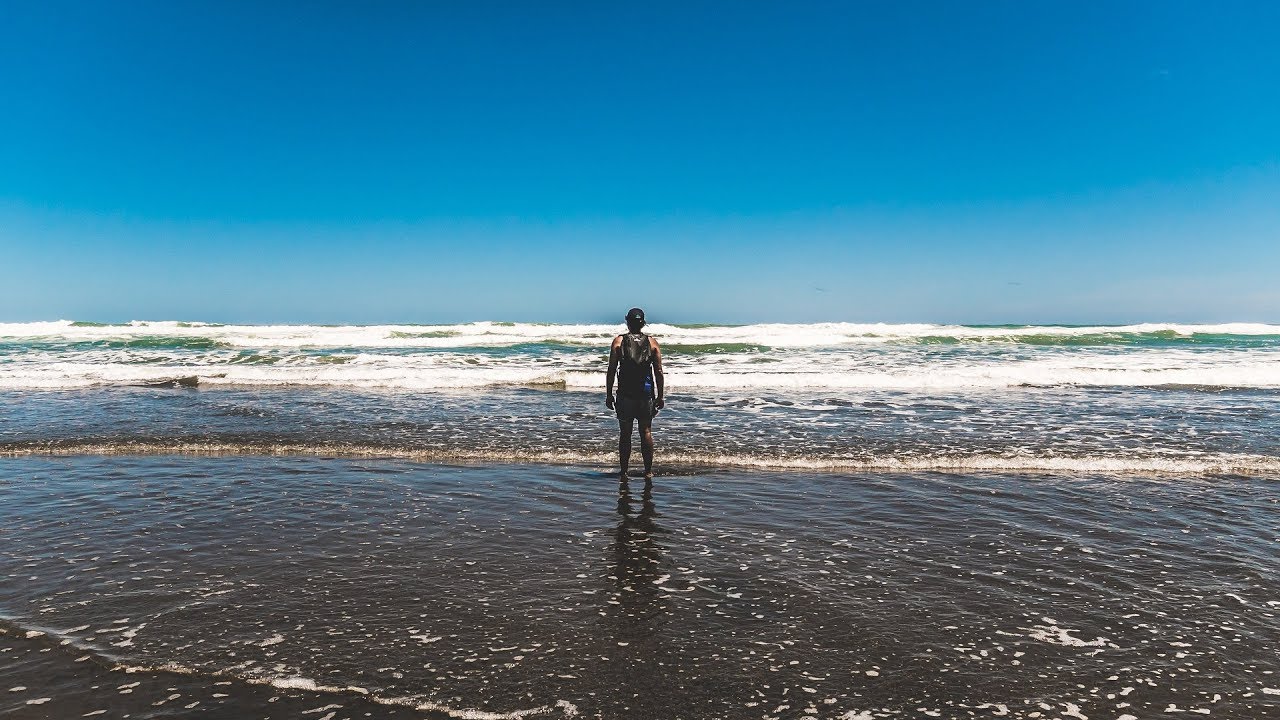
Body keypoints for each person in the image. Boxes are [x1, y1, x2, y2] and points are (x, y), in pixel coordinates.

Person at [606, 307, 665, 479]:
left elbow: (611, 370)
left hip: (625, 394)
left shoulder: (619, 341)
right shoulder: (652, 343)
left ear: (627, 322)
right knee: (646, 431)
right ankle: (648, 471)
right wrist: (660, 396)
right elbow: (659, 372)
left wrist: (609, 394)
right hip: (645, 394)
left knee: (625, 434)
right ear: (643, 323)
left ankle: (624, 471)